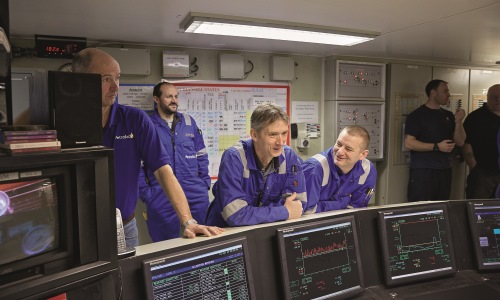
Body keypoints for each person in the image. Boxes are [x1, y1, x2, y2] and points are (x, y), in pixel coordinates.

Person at [71, 48, 223, 247]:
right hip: (77, 230)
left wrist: (188, 220)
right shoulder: (62, 119)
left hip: (124, 227)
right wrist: (148, 194)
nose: (115, 87)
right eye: (105, 79)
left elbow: (162, 169)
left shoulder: (134, 120)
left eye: (117, 78)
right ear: (80, 80)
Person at [205, 103, 307, 227]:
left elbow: (298, 205)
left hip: (264, 231)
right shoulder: (234, 158)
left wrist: (257, 214)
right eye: (273, 135)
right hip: (226, 234)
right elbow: (235, 215)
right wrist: (283, 211)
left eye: (284, 133)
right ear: (254, 135)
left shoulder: (289, 157)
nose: (280, 142)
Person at [138, 82, 210, 242]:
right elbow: (138, 165)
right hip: (160, 194)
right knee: (165, 245)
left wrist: (204, 184)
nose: (174, 100)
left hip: (195, 193)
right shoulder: (147, 125)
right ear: (156, 99)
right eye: (169, 96)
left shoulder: (189, 122)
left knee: (201, 241)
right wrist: (147, 194)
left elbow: (202, 154)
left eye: (176, 96)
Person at [404, 79, 466, 201]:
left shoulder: (448, 115)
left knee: (441, 207)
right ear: (433, 93)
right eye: (445, 91)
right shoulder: (417, 115)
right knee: (421, 207)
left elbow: (460, 141)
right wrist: (437, 146)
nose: (448, 94)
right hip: (424, 171)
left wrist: (459, 122)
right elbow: (409, 143)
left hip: (444, 169)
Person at [302, 125, 377, 212]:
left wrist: (325, 205)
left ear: (363, 155)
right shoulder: (314, 169)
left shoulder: (367, 170)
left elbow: (356, 208)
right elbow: (306, 210)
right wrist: (342, 202)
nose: (340, 152)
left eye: (348, 149)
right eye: (339, 144)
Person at [462, 84, 500, 199]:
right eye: (494, 96)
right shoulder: (475, 118)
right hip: (483, 173)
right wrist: (475, 168)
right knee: (478, 207)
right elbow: (466, 145)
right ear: (487, 97)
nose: (498, 100)